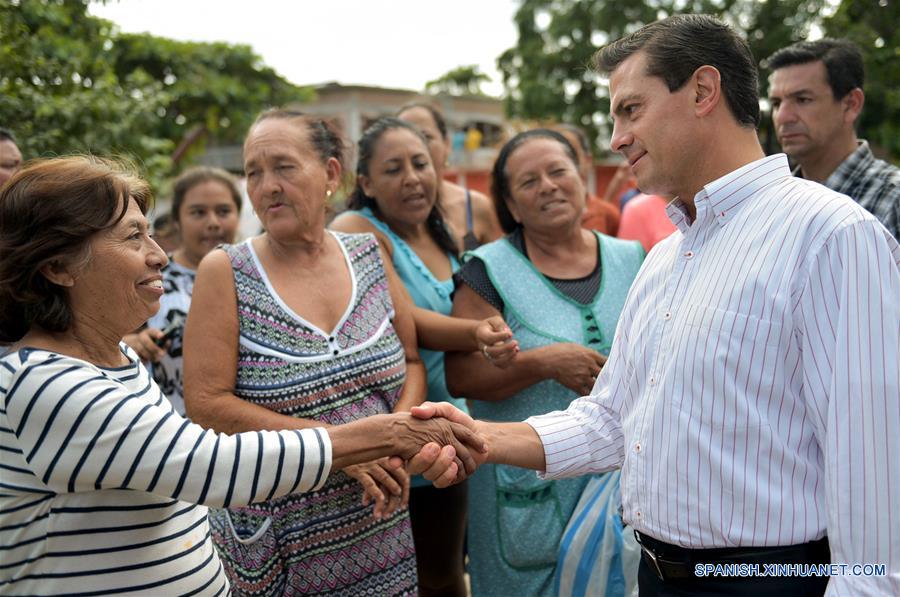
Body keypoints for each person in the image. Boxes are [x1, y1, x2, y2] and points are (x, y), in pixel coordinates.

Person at [414, 14, 900, 596]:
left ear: (702, 91)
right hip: (654, 574)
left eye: (630, 110)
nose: (616, 137)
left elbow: (871, 464)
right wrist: (480, 439)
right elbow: (612, 419)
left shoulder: (831, 234)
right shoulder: (667, 257)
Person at [0, 156, 484, 596]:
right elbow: (211, 466)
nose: (159, 255)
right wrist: (385, 434)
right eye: (132, 237)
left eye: (151, 234)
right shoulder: (45, 382)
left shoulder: (115, 358)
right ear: (59, 266)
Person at [183, 110, 503, 596]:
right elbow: (207, 405)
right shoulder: (226, 271)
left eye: (284, 167)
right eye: (253, 172)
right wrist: (343, 446)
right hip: (279, 536)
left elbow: (411, 361)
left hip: (379, 525)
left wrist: (397, 439)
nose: (267, 186)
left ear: (331, 174)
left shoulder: (367, 253)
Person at [444, 128, 644, 596]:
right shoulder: (486, 270)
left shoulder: (633, 258)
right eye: (529, 182)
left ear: (582, 179)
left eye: (558, 171)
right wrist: (542, 363)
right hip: (527, 500)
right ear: (510, 205)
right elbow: (461, 374)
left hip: (623, 496)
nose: (549, 186)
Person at [331, 116, 517, 597]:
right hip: (390, 433)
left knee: (445, 569)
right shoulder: (355, 229)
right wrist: (477, 332)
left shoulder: (439, 232)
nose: (412, 178)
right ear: (365, 183)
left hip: (447, 427)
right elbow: (404, 316)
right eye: (393, 169)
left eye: (420, 164)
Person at [125, 167, 242, 414]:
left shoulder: (256, 278)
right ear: (177, 220)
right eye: (198, 212)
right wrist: (135, 344)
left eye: (223, 211)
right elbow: (106, 342)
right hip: (172, 430)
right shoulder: (151, 277)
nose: (213, 223)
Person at [767, 38, 900, 239]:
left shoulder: (893, 199)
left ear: (851, 104)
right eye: (776, 103)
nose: (783, 117)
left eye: (803, 100)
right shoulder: (772, 204)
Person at [397, 102, 503, 250]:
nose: (416, 146)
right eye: (405, 139)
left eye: (425, 136)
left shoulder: (477, 207)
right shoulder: (384, 214)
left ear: (446, 144)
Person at [552, 123, 622, 236]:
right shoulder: (536, 218)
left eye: (571, 156)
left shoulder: (608, 215)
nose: (563, 165)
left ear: (588, 160)